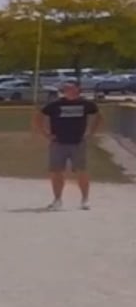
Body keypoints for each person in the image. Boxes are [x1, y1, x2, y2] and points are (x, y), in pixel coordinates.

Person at [37, 79, 102, 211]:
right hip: (58, 143)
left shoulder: (85, 104)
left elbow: (99, 116)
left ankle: (85, 199)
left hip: (78, 142)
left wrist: (91, 133)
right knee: (56, 171)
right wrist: (45, 134)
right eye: (65, 89)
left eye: (70, 88)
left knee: (81, 171)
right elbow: (38, 116)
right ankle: (57, 200)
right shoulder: (55, 105)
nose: (67, 91)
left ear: (77, 89)